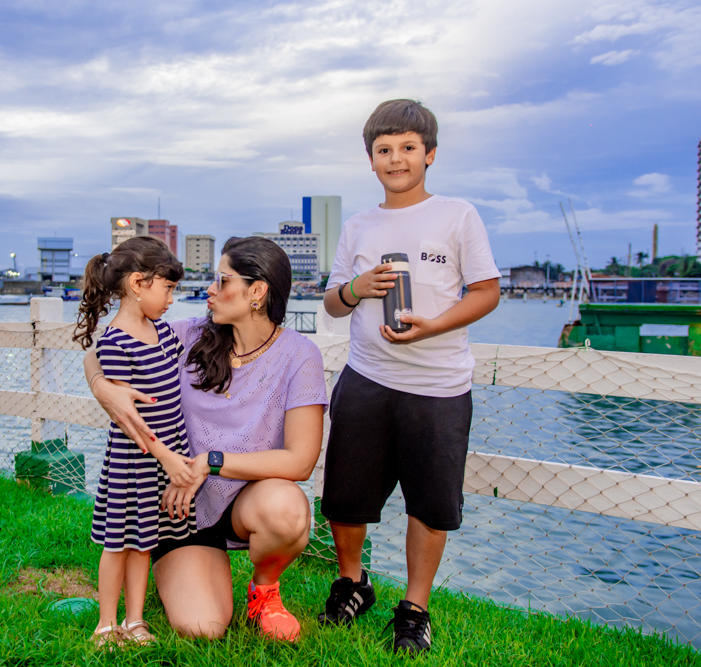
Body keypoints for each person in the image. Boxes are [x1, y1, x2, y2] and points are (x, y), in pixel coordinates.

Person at [318, 99, 501, 655]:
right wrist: (358, 289)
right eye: (384, 150)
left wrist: (433, 326)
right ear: (370, 160)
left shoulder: (458, 215)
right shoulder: (359, 225)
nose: (396, 158)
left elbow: (488, 291)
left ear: (430, 154)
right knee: (345, 498)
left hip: (440, 386)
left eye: (408, 148)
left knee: (430, 503)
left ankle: (415, 608)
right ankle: (353, 583)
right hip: (366, 378)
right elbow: (330, 304)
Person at [83, 236, 328, 642]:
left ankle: (263, 591)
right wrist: (101, 386)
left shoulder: (299, 355)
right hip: (177, 508)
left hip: (244, 501)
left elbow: (300, 461)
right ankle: (170, 579)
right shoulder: (188, 335)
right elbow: (106, 346)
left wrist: (209, 461)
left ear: (258, 291)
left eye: (222, 280)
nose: (209, 290)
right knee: (202, 627)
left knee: (288, 509)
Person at [72, 236, 198, 648]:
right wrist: (167, 457)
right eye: (168, 288)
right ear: (138, 284)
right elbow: (129, 419)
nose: (171, 299)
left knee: (144, 543)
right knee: (118, 544)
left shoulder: (161, 331)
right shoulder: (115, 342)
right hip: (135, 461)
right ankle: (107, 622)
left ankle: (136, 619)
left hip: (163, 457)